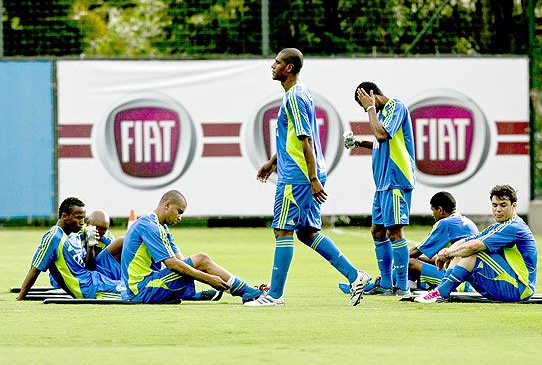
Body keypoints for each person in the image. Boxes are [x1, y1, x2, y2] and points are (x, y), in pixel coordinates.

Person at [244, 48, 370, 307]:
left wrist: (312, 178)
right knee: (307, 232)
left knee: (282, 229)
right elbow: (292, 137)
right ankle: (355, 276)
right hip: (300, 172)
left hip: (298, 177)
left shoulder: (294, 97)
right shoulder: (299, 94)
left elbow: (306, 139)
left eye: (277, 62)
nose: (272, 65)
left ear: (288, 68)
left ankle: (275, 295)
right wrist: (272, 162)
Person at [120, 190, 263, 304]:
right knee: (202, 259)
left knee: (199, 262)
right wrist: (208, 279)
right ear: (167, 205)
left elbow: (183, 262)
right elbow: (174, 265)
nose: (180, 217)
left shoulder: (160, 227)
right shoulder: (149, 226)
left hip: (145, 286)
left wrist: (206, 274)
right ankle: (246, 291)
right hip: (141, 290)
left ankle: (245, 289)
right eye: (179, 212)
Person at [415, 184, 537, 303]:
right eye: (495, 205)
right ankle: (440, 290)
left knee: (472, 252)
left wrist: (448, 253)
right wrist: (448, 252)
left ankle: (441, 292)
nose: (498, 209)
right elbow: (466, 241)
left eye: (503, 205)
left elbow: (473, 247)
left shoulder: (514, 227)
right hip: (510, 283)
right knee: (463, 250)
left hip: (519, 288)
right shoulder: (498, 226)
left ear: (513, 206)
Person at [348, 81, 416, 296]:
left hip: (396, 180)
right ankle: (386, 283)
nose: (368, 109)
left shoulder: (396, 106)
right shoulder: (383, 115)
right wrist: (359, 143)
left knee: (394, 231)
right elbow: (380, 142)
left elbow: (382, 135)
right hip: (383, 184)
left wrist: (369, 109)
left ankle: (402, 287)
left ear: (372, 95)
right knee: (377, 231)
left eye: (365, 103)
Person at [338, 191, 478, 293]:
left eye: (433, 210)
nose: (432, 215)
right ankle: (390, 284)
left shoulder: (446, 223)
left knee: (409, 263)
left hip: (457, 280)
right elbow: (438, 259)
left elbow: (416, 251)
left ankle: (374, 285)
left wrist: (396, 263)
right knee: (410, 264)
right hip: (469, 277)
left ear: (440, 210)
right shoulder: (466, 221)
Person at [17, 197, 122, 300]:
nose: (82, 222)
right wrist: (21, 297)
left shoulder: (73, 235)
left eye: (83, 218)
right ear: (65, 216)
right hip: (90, 289)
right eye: (78, 218)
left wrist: (91, 246)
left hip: (97, 279)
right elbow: (35, 269)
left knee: (133, 285)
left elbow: (88, 266)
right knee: (132, 292)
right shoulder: (54, 237)